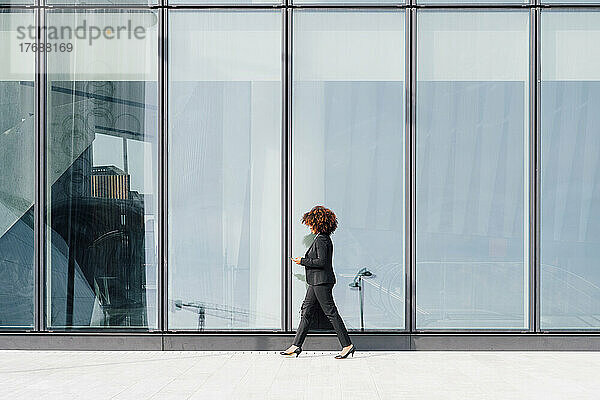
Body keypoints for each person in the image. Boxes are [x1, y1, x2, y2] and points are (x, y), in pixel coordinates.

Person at [280, 205, 355, 359]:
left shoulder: (321, 240)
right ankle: (296, 346)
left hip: (321, 282)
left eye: (311, 224)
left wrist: (303, 261)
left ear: (318, 223)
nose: (309, 227)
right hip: (316, 281)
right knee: (306, 311)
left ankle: (347, 345)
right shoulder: (323, 238)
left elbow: (322, 262)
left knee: (330, 312)